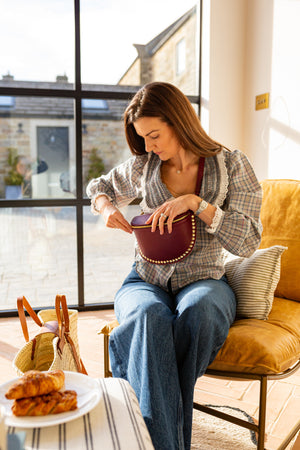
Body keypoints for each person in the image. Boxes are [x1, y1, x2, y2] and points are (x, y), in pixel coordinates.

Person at [86, 82, 262, 450]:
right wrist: (106, 208)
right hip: (144, 279)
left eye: (154, 135)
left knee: (200, 311)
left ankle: (144, 430)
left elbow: (249, 240)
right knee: (147, 316)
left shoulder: (231, 164)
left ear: (180, 122)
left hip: (206, 281)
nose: (149, 146)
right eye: (143, 139)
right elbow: (99, 185)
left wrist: (197, 204)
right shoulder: (144, 164)